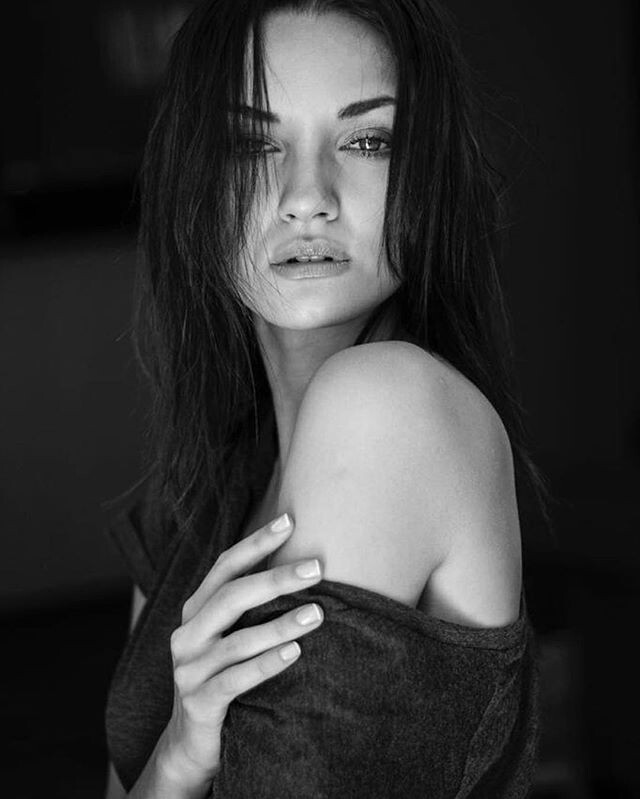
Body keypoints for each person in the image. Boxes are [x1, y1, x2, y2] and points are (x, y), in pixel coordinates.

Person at [104, 0, 550, 796]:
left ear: (429, 176)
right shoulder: (195, 491)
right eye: (251, 143)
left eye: (368, 140)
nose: (306, 196)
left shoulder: (389, 404)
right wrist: (175, 757)